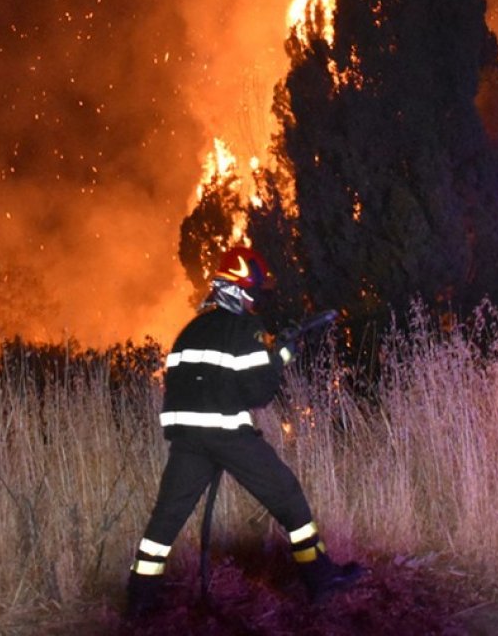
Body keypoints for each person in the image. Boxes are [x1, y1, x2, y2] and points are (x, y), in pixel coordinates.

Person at [125, 246, 362, 618]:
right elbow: (258, 394)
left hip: (186, 438)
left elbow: (186, 383)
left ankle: (138, 600)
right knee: (287, 495)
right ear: (238, 289)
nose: (255, 301)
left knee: (166, 516)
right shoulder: (245, 328)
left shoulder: (190, 330)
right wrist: (279, 358)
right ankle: (320, 578)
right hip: (226, 434)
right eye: (252, 292)